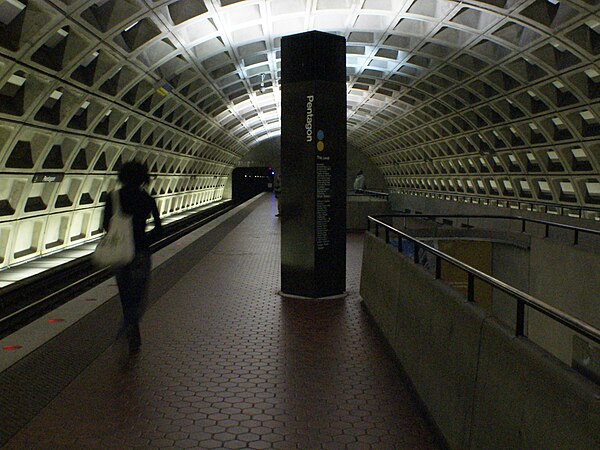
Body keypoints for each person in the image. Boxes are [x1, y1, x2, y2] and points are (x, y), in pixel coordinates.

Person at [102, 161, 162, 353]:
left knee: (125, 294)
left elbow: (106, 226)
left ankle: (130, 328)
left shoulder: (113, 197)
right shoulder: (147, 199)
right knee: (139, 296)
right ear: (143, 177)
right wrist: (143, 239)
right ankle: (130, 327)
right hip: (140, 253)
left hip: (120, 253)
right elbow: (159, 229)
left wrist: (121, 235)